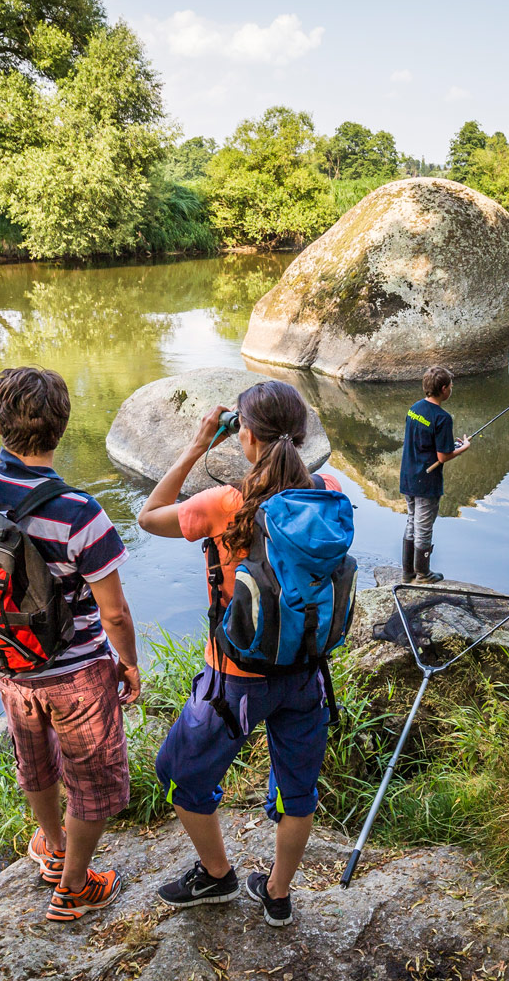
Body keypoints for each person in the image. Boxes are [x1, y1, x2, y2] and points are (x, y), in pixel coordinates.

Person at [0, 366, 142, 924]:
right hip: (75, 672)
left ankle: (50, 845)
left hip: (4, 662)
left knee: (34, 757)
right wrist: (127, 664)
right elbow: (114, 611)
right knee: (94, 779)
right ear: (62, 427)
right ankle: (75, 886)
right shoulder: (80, 512)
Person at [136, 380, 339, 927]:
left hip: (234, 679)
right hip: (307, 674)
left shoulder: (226, 504)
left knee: (178, 772)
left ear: (243, 435)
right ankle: (277, 895)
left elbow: (148, 516)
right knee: (298, 791)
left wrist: (199, 443)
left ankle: (219, 876)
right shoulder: (329, 491)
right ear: (300, 433)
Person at [398, 365, 470, 583]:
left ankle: (407, 572)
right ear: (444, 389)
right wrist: (463, 447)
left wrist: (449, 443)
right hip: (426, 481)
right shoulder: (442, 418)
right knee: (424, 527)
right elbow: (442, 457)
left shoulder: (414, 409)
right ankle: (423, 574)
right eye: (451, 386)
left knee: (412, 521)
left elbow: (424, 441)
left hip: (408, 476)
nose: (452, 389)